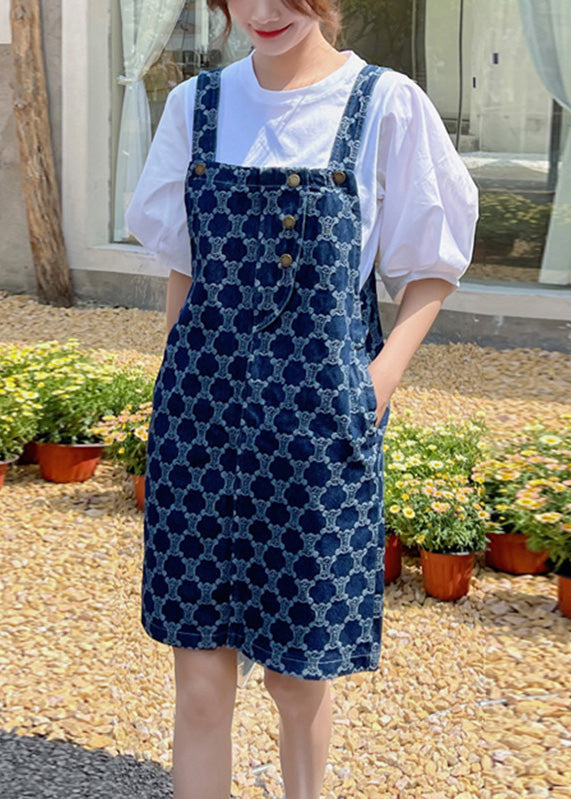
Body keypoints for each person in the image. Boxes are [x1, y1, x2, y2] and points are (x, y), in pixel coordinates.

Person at [125, 1, 479, 798]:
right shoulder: (195, 104)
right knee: (201, 680)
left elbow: (433, 263)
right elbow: (184, 261)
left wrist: (374, 385)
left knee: (297, 677)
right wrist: (173, 379)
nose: (262, 12)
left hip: (318, 431)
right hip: (198, 423)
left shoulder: (385, 104)